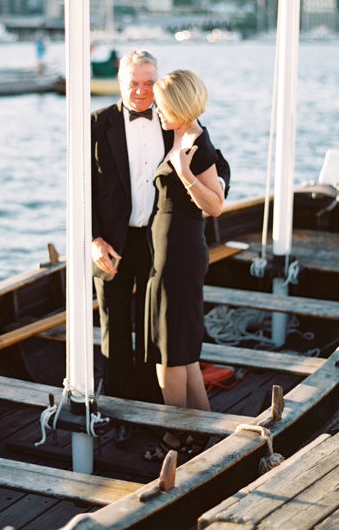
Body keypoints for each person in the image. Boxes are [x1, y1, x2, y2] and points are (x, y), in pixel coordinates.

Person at [91, 51, 229, 447]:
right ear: (119, 81)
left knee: (164, 338)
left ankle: (167, 418)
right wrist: (93, 239)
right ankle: (120, 412)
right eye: (132, 82)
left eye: (148, 82)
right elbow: (83, 188)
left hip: (165, 241)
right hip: (114, 242)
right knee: (118, 328)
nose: (140, 91)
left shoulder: (176, 119)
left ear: (159, 83)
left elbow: (217, 165)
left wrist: (213, 189)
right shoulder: (98, 123)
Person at [143, 70, 223, 462]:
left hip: (180, 254)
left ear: (177, 105)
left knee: (170, 352)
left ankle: (175, 436)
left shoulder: (195, 144)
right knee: (183, 348)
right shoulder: (179, 134)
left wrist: (186, 175)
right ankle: (203, 427)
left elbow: (217, 203)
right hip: (168, 252)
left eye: (161, 104)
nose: (156, 110)